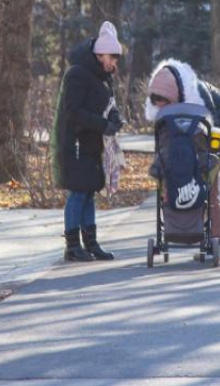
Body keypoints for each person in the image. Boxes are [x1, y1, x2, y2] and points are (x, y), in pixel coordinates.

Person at [144, 59, 220, 261]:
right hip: (198, 137)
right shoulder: (165, 102)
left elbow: (213, 128)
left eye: (167, 104)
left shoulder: (198, 95)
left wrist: (211, 158)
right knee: (206, 188)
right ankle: (216, 240)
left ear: (175, 94)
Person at [51, 21, 124, 262]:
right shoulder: (78, 74)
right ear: (99, 53)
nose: (114, 63)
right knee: (78, 193)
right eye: (112, 57)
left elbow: (106, 104)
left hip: (92, 144)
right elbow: (73, 111)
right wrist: (103, 124)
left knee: (89, 191)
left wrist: (114, 117)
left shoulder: (102, 76)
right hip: (75, 144)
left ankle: (91, 243)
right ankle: (72, 246)